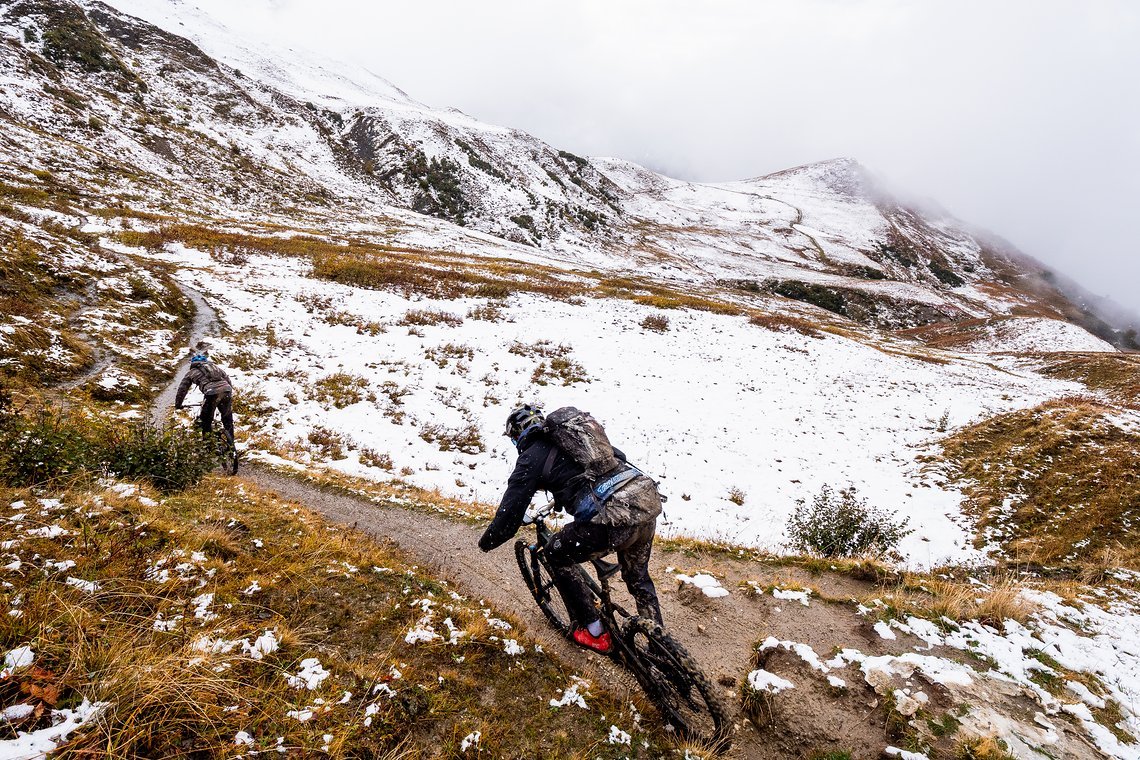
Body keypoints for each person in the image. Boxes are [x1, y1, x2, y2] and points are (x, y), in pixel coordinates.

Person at [479, 405, 664, 654]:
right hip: (643, 505)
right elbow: (615, 457)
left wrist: (487, 542)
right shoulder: (576, 440)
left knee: (554, 554)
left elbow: (509, 513)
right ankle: (662, 647)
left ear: (517, 436)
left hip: (610, 521)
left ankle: (594, 631)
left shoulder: (530, 458)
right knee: (639, 579)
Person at [174, 350, 235, 445]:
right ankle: (232, 445)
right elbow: (228, 380)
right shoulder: (216, 368)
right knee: (227, 419)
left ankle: (208, 447)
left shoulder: (191, 372)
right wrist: (229, 394)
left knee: (206, 421)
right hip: (226, 390)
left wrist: (178, 404)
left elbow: (182, 389)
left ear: (192, 364)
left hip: (211, 393)